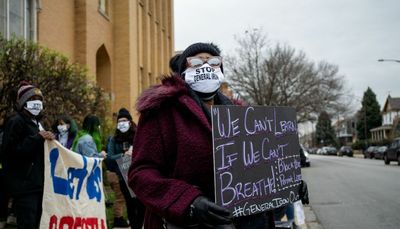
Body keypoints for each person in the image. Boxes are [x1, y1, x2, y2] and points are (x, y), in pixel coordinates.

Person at [128, 42, 237, 229]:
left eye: (213, 62)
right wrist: (188, 202)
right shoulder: (161, 111)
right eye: (196, 62)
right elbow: (141, 174)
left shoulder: (240, 115)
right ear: (183, 72)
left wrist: (283, 185)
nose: (205, 66)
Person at [1, 81, 55, 228]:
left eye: (39, 100)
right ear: (24, 102)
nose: (37, 103)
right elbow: (11, 152)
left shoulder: (37, 123)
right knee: (27, 223)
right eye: (32, 100)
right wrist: (37, 138)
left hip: (38, 184)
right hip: (24, 186)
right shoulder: (15, 121)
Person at [106, 108, 145, 229]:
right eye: (119, 121)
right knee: (130, 204)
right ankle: (134, 226)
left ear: (129, 122)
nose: (121, 123)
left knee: (141, 204)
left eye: (124, 120)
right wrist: (123, 156)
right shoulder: (114, 139)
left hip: (139, 175)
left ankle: (139, 224)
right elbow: (110, 157)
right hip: (123, 176)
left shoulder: (138, 135)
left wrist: (135, 153)